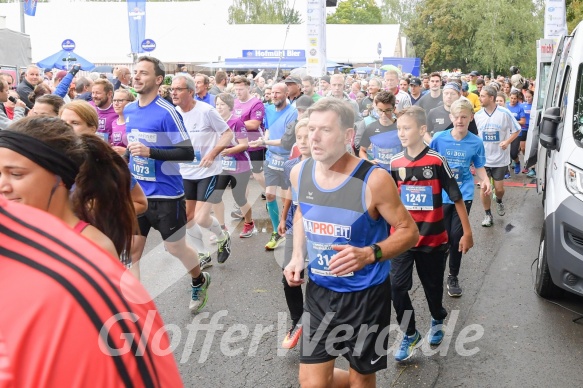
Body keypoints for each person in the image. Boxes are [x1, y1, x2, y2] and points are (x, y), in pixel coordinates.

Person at [284, 98, 419, 387]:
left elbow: (409, 232)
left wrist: (370, 254)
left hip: (365, 296)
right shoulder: (300, 172)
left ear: (347, 136)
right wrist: (297, 255)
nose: (314, 137)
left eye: (325, 130)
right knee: (312, 383)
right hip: (319, 293)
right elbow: (301, 215)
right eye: (310, 130)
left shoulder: (374, 180)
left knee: (361, 380)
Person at [0, 195, 182, 387]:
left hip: (94, 347)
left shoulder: (92, 242)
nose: (4, 184)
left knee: (173, 245)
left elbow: (139, 202)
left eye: (17, 173)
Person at [124, 56, 209, 313]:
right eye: (135, 72)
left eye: (143, 73)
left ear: (158, 80)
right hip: (136, 194)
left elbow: (187, 153)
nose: (136, 76)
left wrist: (151, 152)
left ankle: (199, 279)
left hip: (166, 195)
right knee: (132, 254)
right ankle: (133, 313)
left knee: (175, 248)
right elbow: (133, 150)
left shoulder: (167, 112)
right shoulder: (128, 110)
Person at [389, 105, 473, 361]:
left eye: (407, 128)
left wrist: (467, 232)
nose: (402, 133)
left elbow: (456, 196)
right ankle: (410, 333)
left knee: (433, 288)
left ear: (422, 129)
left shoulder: (436, 160)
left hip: (433, 239)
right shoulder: (394, 163)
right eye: (399, 128)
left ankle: (437, 317)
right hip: (402, 239)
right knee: (397, 287)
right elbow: (388, 202)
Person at [0, 117, 137, 260]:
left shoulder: (91, 248)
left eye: (16, 174)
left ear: (58, 175)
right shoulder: (11, 232)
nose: (2, 186)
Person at [430, 99, 491, 297]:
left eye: (464, 117)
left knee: (457, 236)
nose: (459, 120)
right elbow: (430, 163)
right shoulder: (439, 138)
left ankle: (453, 276)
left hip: (463, 194)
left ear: (471, 118)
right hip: (440, 195)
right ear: (451, 118)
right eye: (456, 117)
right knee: (444, 236)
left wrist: (485, 179)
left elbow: (479, 165)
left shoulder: (476, 141)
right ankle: (439, 266)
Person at [171, 74, 234, 267]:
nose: (173, 92)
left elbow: (228, 133)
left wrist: (213, 153)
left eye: (178, 89)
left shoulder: (206, 111)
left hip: (209, 171)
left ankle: (223, 237)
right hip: (185, 172)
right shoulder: (173, 113)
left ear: (190, 92)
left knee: (201, 217)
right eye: (172, 89)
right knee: (187, 218)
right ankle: (202, 253)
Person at [248, 83, 298, 251]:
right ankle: (276, 232)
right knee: (269, 194)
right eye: (272, 93)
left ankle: (289, 230)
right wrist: (265, 141)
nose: (274, 95)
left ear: (286, 94)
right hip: (271, 158)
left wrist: (263, 142)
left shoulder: (293, 113)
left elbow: (286, 141)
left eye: (278, 93)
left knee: (286, 199)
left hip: (286, 160)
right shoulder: (268, 109)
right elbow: (268, 130)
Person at [277, 118, 310, 349]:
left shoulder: (326, 164)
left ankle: (321, 320)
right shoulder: (290, 166)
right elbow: (289, 191)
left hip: (319, 226)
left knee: (320, 277)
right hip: (293, 223)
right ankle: (297, 320)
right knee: (289, 275)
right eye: (300, 138)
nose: (305, 141)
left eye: (309, 136)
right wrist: (282, 216)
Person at [211, 93, 257, 238]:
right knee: (215, 196)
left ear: (230, 107)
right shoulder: (214, 121)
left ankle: (249, 224)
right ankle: (222, 228)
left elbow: (244, 145)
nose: (218, 107)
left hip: (240, 165)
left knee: (239, 197)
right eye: (217, 104)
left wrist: (228, 150)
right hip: (222, 166)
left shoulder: (236, 122)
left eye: (222, 104)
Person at [475, 85, 520, 227]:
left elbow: (517, 130)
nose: (480, 98)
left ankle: (499, 201)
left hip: (500, 158)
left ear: (491, 98)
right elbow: (474, 135)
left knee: (499, 190)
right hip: (483, 159)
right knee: (484, 188)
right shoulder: (477, 115)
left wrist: (507, 142)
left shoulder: (504, 113)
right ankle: (487, 214)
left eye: (482, 96)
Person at [358, 91, 400, 170]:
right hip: (380, 173)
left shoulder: (401, 127)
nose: (384, 115)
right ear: (376, 108)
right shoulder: (371, 128)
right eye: (380, 110)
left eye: (388, 110)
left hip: (399, 174)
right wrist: (368, 161)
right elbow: (362, 151)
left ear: (394, 109)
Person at [90, 79, 118, 144]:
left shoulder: (117, 112)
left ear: (109, 94)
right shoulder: (89, 108)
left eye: (98, 93)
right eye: (93, 93)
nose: (94, 96)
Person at [506, 90, 526, 175]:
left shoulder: (520, 107)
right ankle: (506, 172)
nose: (513, 100)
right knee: (505, 152)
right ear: (509, 97)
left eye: (515, 98)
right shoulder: (505, 106)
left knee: (513, 153)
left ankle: (517, 162)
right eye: (511, 98)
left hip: (516, 133)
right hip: (506, 132)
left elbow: (523, 121)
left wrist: (513, 121)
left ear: (517, 99)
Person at [111, 88, 136, 156]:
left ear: (130, 102)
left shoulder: (135, 122)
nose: (116, 103)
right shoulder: (114, 123)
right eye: (114, 100)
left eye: (120, 100)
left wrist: (126, 152)